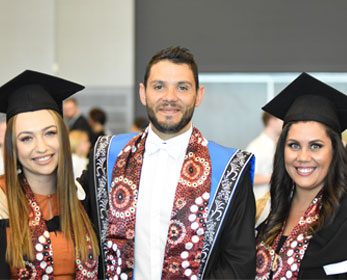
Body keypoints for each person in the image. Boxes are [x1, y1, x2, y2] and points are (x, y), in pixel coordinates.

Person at [80, 46, 256, 280]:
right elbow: (84, 231)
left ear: (199, 95)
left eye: (182, 87)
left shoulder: (229, 169)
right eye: (159, 86)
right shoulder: (108, 157)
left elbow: (238, 262)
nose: (170, 97)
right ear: (143, 93)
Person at [0, 70, 99, 279]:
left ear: (63, 136)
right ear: (13, 147)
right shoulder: (2, 201)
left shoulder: (84, 197)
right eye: (26, 138)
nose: (41, 147)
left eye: (50, 133)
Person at [255, 72, 347, 279]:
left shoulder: (343, 219)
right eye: (294, 145)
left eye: (316, 146)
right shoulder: (265, 210)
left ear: (334, 150)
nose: (303, 157)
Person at [246, 112, 283, 227]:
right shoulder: (256, 146)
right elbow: (248, 176)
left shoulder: (278, 145)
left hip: (276, 203)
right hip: (262, 204)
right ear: (272, 120)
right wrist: (275, 177)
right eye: (281, 119)